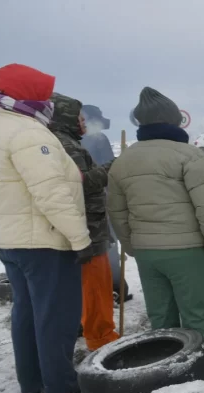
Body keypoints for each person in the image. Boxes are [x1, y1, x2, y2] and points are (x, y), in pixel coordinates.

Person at [107, 87, 204, 372]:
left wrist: (132, 246)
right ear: (174, 122)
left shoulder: (123, 161)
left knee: (161, 320)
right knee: (195, 319)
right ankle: (202, 376)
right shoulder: (189, 156)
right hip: (189, 253)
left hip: (148, 254)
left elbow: (117, 212)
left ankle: (164, 377)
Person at [0, 63, 91, 393]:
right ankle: (62, 386)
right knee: (56, 315)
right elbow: (50, 192)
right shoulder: (28, 133)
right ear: (31, 95)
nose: (49, 101)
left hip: (10, 239)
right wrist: (78, 238)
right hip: (44, 240)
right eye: (44, 94)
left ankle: (31, 381)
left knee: (26, 311)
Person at [49, 93, 119, 351]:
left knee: (86, 286)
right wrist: (112, 167)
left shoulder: (59, 141)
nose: (84, 122)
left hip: (81, 226)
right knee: (95, 286)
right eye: (80, 117)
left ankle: (91, 327)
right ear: (67, 117)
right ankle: (102, 339)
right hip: (88, 227)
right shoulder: (67, 146)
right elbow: (85, 184)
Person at [81, 104, 133, 303]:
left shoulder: (70, 140)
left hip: (84, 203)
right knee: (109, 246)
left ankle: (114, 289)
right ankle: (117, 289)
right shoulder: (98, 139)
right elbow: (109, 169)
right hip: (100, 201)